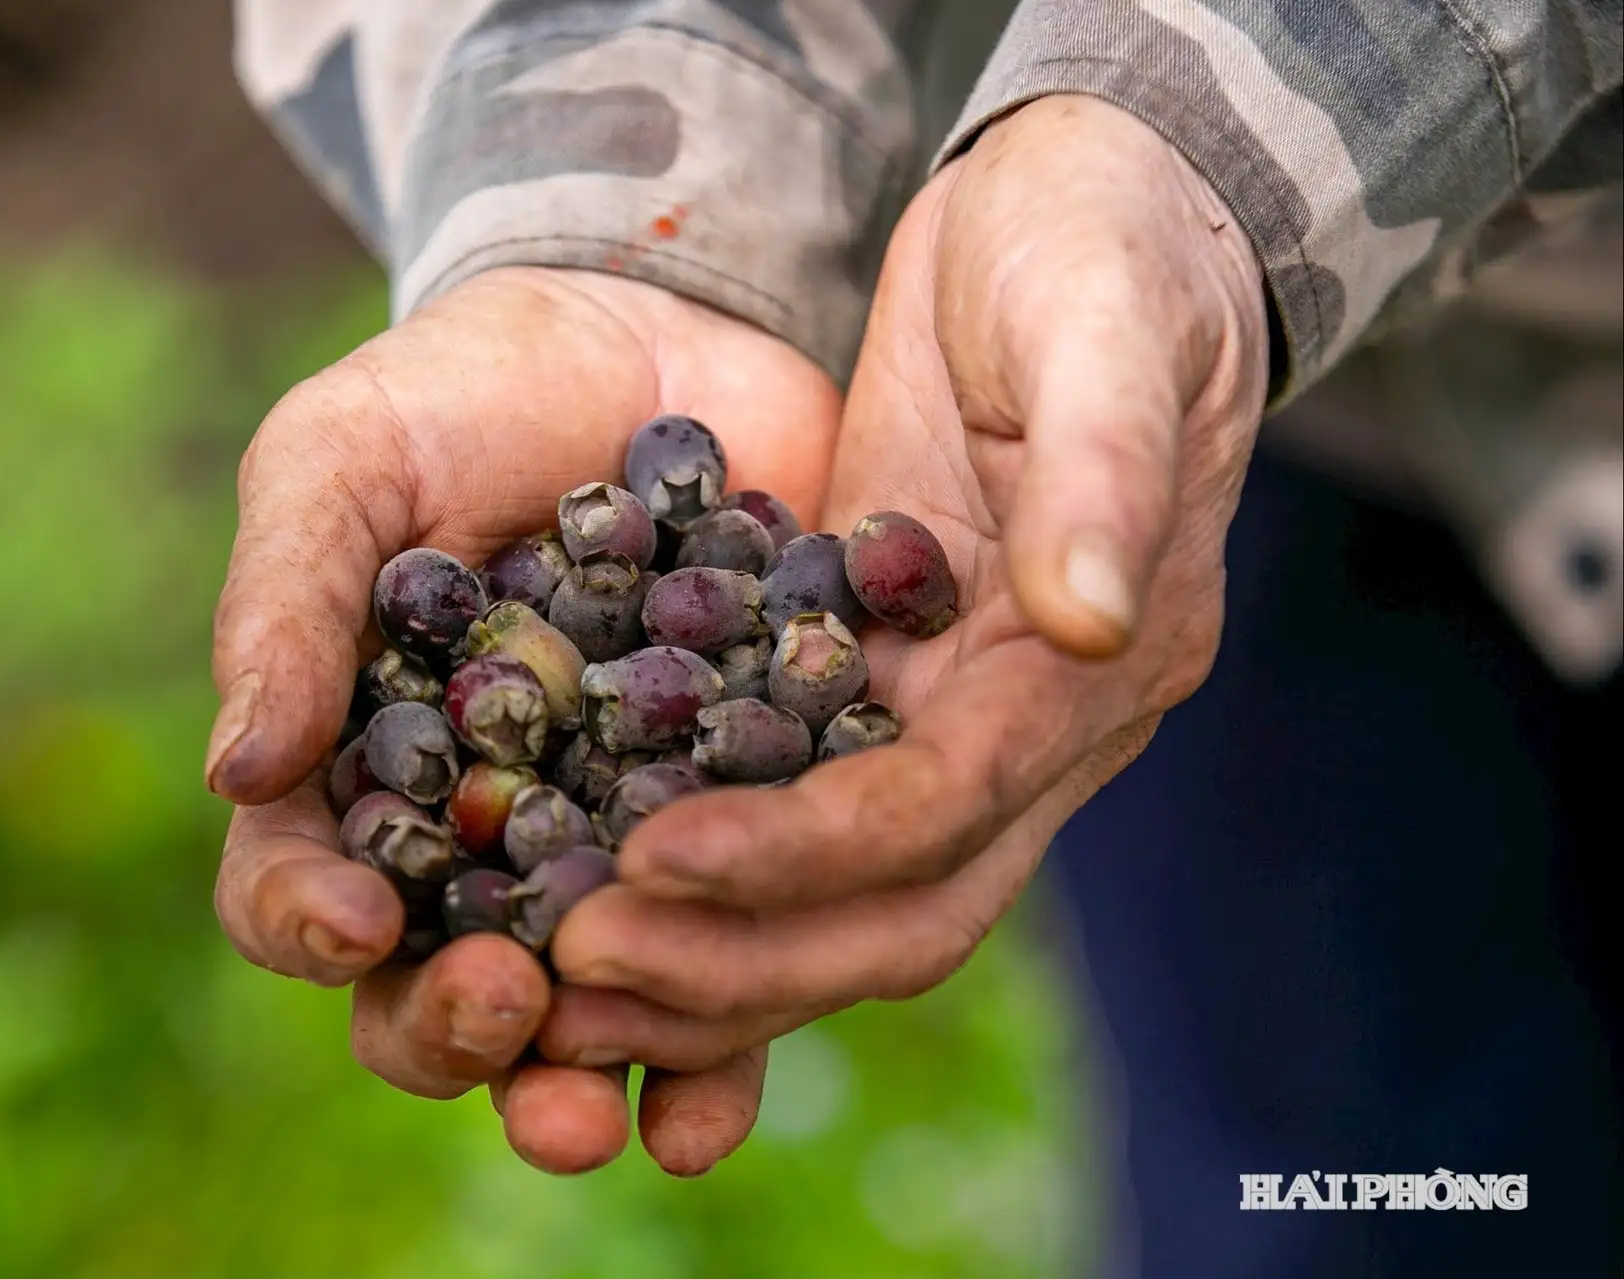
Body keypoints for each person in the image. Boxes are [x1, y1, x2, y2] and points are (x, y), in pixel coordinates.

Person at [206, 3, 1621, 1272]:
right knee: (1348, 1190)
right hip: (1206, 400)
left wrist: (1201, 127)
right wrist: (612, 194)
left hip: (1217, 309)